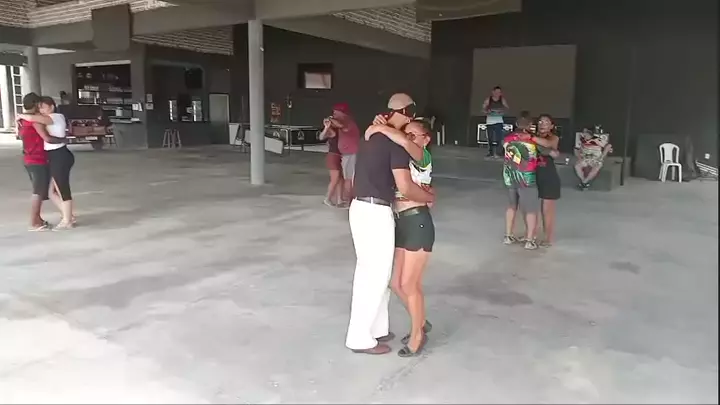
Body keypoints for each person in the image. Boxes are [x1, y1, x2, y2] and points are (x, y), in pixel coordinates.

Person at [345, 93, 434, 356]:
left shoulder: (371, 136)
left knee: (374, 273)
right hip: (377, 210)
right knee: (375, 276)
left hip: (360, 207)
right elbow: (405, 187)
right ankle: (361, 338)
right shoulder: (394, 143)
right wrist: (429, 197)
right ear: (407, 112)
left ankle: (377, 328)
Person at [17, 96, 76, 229]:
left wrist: (20, 116)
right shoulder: (42, 119)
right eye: (39, 108)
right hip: (51, 156)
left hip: (58, 155)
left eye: (43, 107)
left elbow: (44, 135)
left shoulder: (54, 117)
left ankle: (67, 220)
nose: (41, 110)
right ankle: (68, 215)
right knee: (51, 192)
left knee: (61, 188)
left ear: (52, 106)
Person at [502, 114, 540, 250]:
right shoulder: (532, 141)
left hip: (510, 176)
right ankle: (529, 240)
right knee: (530, 209)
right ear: (530, 125)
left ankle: (508, 236)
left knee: (512, 206)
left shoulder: (507, 139)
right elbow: (540, 155)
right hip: (526, 178)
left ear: (517, 124)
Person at [529, 114, 561, 247]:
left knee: (547, 210)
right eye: (540, 122)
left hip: (548, 176)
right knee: (529, 207)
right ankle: (531, 235)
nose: (542, 124)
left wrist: (530, 138)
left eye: (546, 122)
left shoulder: (553, 138)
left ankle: (548, 238)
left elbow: (548, 144)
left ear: (551, 126)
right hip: (532, 175)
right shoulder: (533, 136)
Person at [334, 103, 360, 206]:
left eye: (336, 113)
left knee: (348, 180)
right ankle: (350, 200)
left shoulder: (348, 122)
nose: (334, 115)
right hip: (348, 155)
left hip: (351, 154)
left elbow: (341, 126)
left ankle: (350, 202)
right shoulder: (344, 122)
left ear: (342, 113)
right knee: (348, 179)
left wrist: (331, 120)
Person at [319, 111, 343, 207]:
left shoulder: (339, 129)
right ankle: (327, 199)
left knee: (340, 179)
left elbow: (340, 124)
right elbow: (321, 137)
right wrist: (326, 127)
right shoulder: (331, 131)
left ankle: (340, 200)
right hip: (333, 156)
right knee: (335, 179)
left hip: (338, 157)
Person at [482, 86, 510, 158]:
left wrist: (502, 111)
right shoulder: (488, 99)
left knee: (499, 138)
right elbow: (483, 108)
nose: (497, 94)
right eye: (496, 92)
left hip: (499, 121)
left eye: (499, 92)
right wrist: (487, 112)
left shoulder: (502, 100)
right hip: (490, 121)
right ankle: (491, 152)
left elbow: (507, 108)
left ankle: (499, 152)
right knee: (490, 138)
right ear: (493, 92)